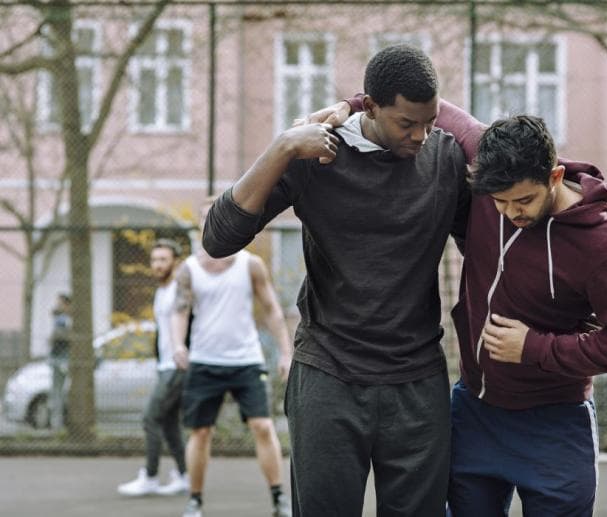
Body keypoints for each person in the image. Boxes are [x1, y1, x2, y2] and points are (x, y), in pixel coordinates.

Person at [310, 103, 607, 515]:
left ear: (555, 176)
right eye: (500, 203)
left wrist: (535, 348)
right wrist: (350, 105)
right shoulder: (485, 158)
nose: (512, 213)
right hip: (475, 411)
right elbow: (420, 101)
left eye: (523, 200)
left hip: (555, 423)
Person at [202, 44, 470, 516]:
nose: (420, 136)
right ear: (371, 106)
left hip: (417, 380)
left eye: (429, 123)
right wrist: (283, 146)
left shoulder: (444, 160)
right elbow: (219, 238)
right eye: (406, 125)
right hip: (329, 374)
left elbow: (495, 241)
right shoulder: (316, 154)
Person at [172, 200, 293, 517]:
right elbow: (179, 312)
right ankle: (194, 501)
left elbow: (271, 309)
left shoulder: (250, 264)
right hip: (204, 361)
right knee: (200, 433)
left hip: (246, 361)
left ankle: (279, 498)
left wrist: (285, 351)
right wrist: (177, 345)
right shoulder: (189, 269)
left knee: (264, 427)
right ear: (200, 225)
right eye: (204, 218)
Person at [118, 238, 190, 497]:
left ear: (175, 262)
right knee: (169, 422)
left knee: (150, 418)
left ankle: (149, 476)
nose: (157, 265)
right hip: (164, 365)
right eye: (154, 260)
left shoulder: (180, 290)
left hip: (177, 366)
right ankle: (185, 475)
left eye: (163, 259)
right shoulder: (161, 291)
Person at [48, 292, 72, 430]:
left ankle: (57, 423)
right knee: (59, 391)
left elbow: (60, 337)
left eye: (60, 303)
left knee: (58, 391)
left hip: (61, 359)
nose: (57, 305)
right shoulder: (62, 318)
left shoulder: (64, 319)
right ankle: (58, 421)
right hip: (60, 359)